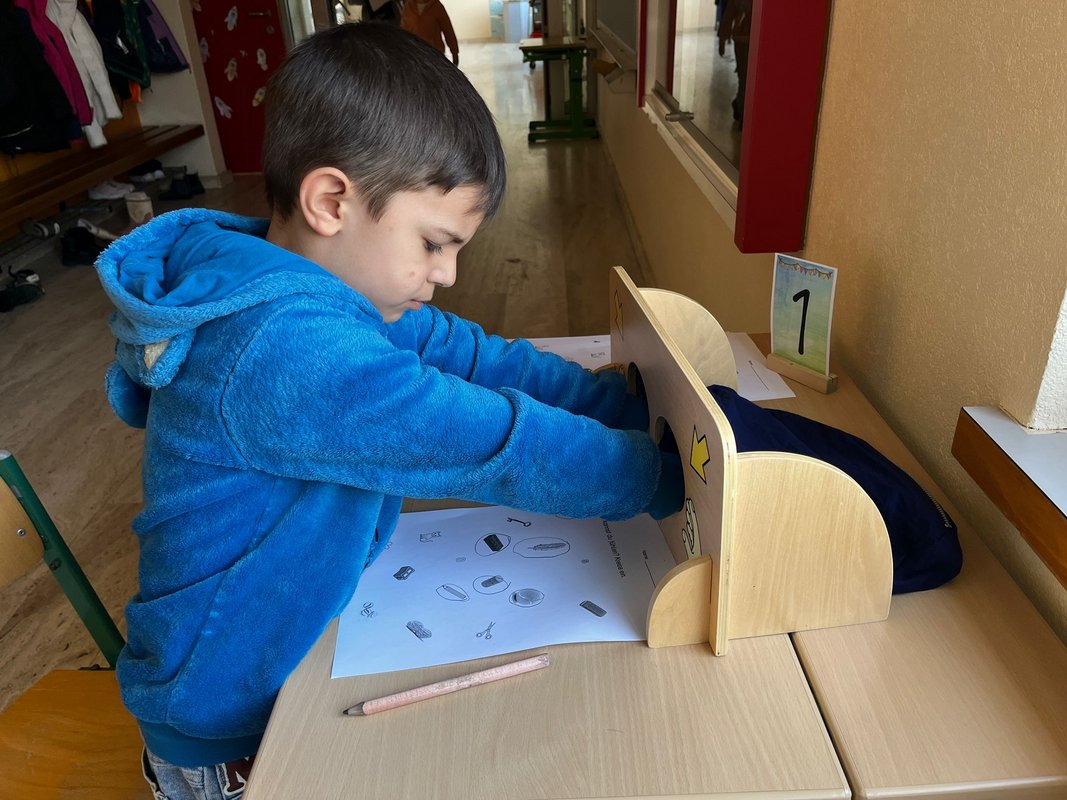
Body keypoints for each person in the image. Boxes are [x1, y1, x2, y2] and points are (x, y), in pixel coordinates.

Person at [94, 22, 682, 800]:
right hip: (228, 727)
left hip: (282, 654)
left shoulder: (303, 282)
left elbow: (470, 356)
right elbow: (483, 442)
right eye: (434, 243)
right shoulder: (283, 344)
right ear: (331, 201)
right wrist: (664, 476)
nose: (447, 274)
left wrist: (621, 405)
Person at [401, 0, 459, 65]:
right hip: (415, 54)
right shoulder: (408, 6)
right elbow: (403, 33)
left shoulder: (437, 6)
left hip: (435, 54)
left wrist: (455, 53)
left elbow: (448, 30)